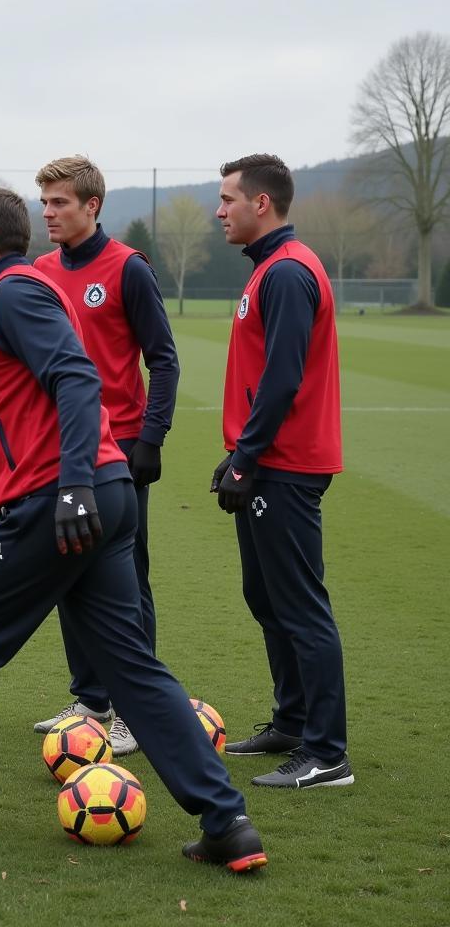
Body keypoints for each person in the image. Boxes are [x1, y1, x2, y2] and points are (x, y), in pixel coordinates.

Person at [0, 188, 266, 872]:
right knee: (130, 666)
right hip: (82, 498)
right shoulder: (10, 299)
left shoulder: (15, 294)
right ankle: (227, 823)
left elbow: (78, 378)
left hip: (65, 500)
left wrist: (69, 487)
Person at [31, 156, 179, 756]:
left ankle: (131, 709)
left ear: (92, 206)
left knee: (126, 581)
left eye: (59, 202)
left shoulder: (128, 270)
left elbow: (163, 360)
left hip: (116, 456)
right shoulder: (38, 271)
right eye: (43, 202)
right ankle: (91, 699)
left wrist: (151, 438)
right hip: (58, 453)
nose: (48, 213)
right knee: (68, 572)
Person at [212, 154, 352, 789]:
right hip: (268, 459)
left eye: (227, 200)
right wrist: (240, 452)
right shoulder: (269, 269)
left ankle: (327, 754)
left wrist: (248, 456)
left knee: (299, 606)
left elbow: (284, 376)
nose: (219, 211)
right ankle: (293, 722)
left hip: (286, 464)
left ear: (260, 203)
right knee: (265, 596)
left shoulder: (289, 272)